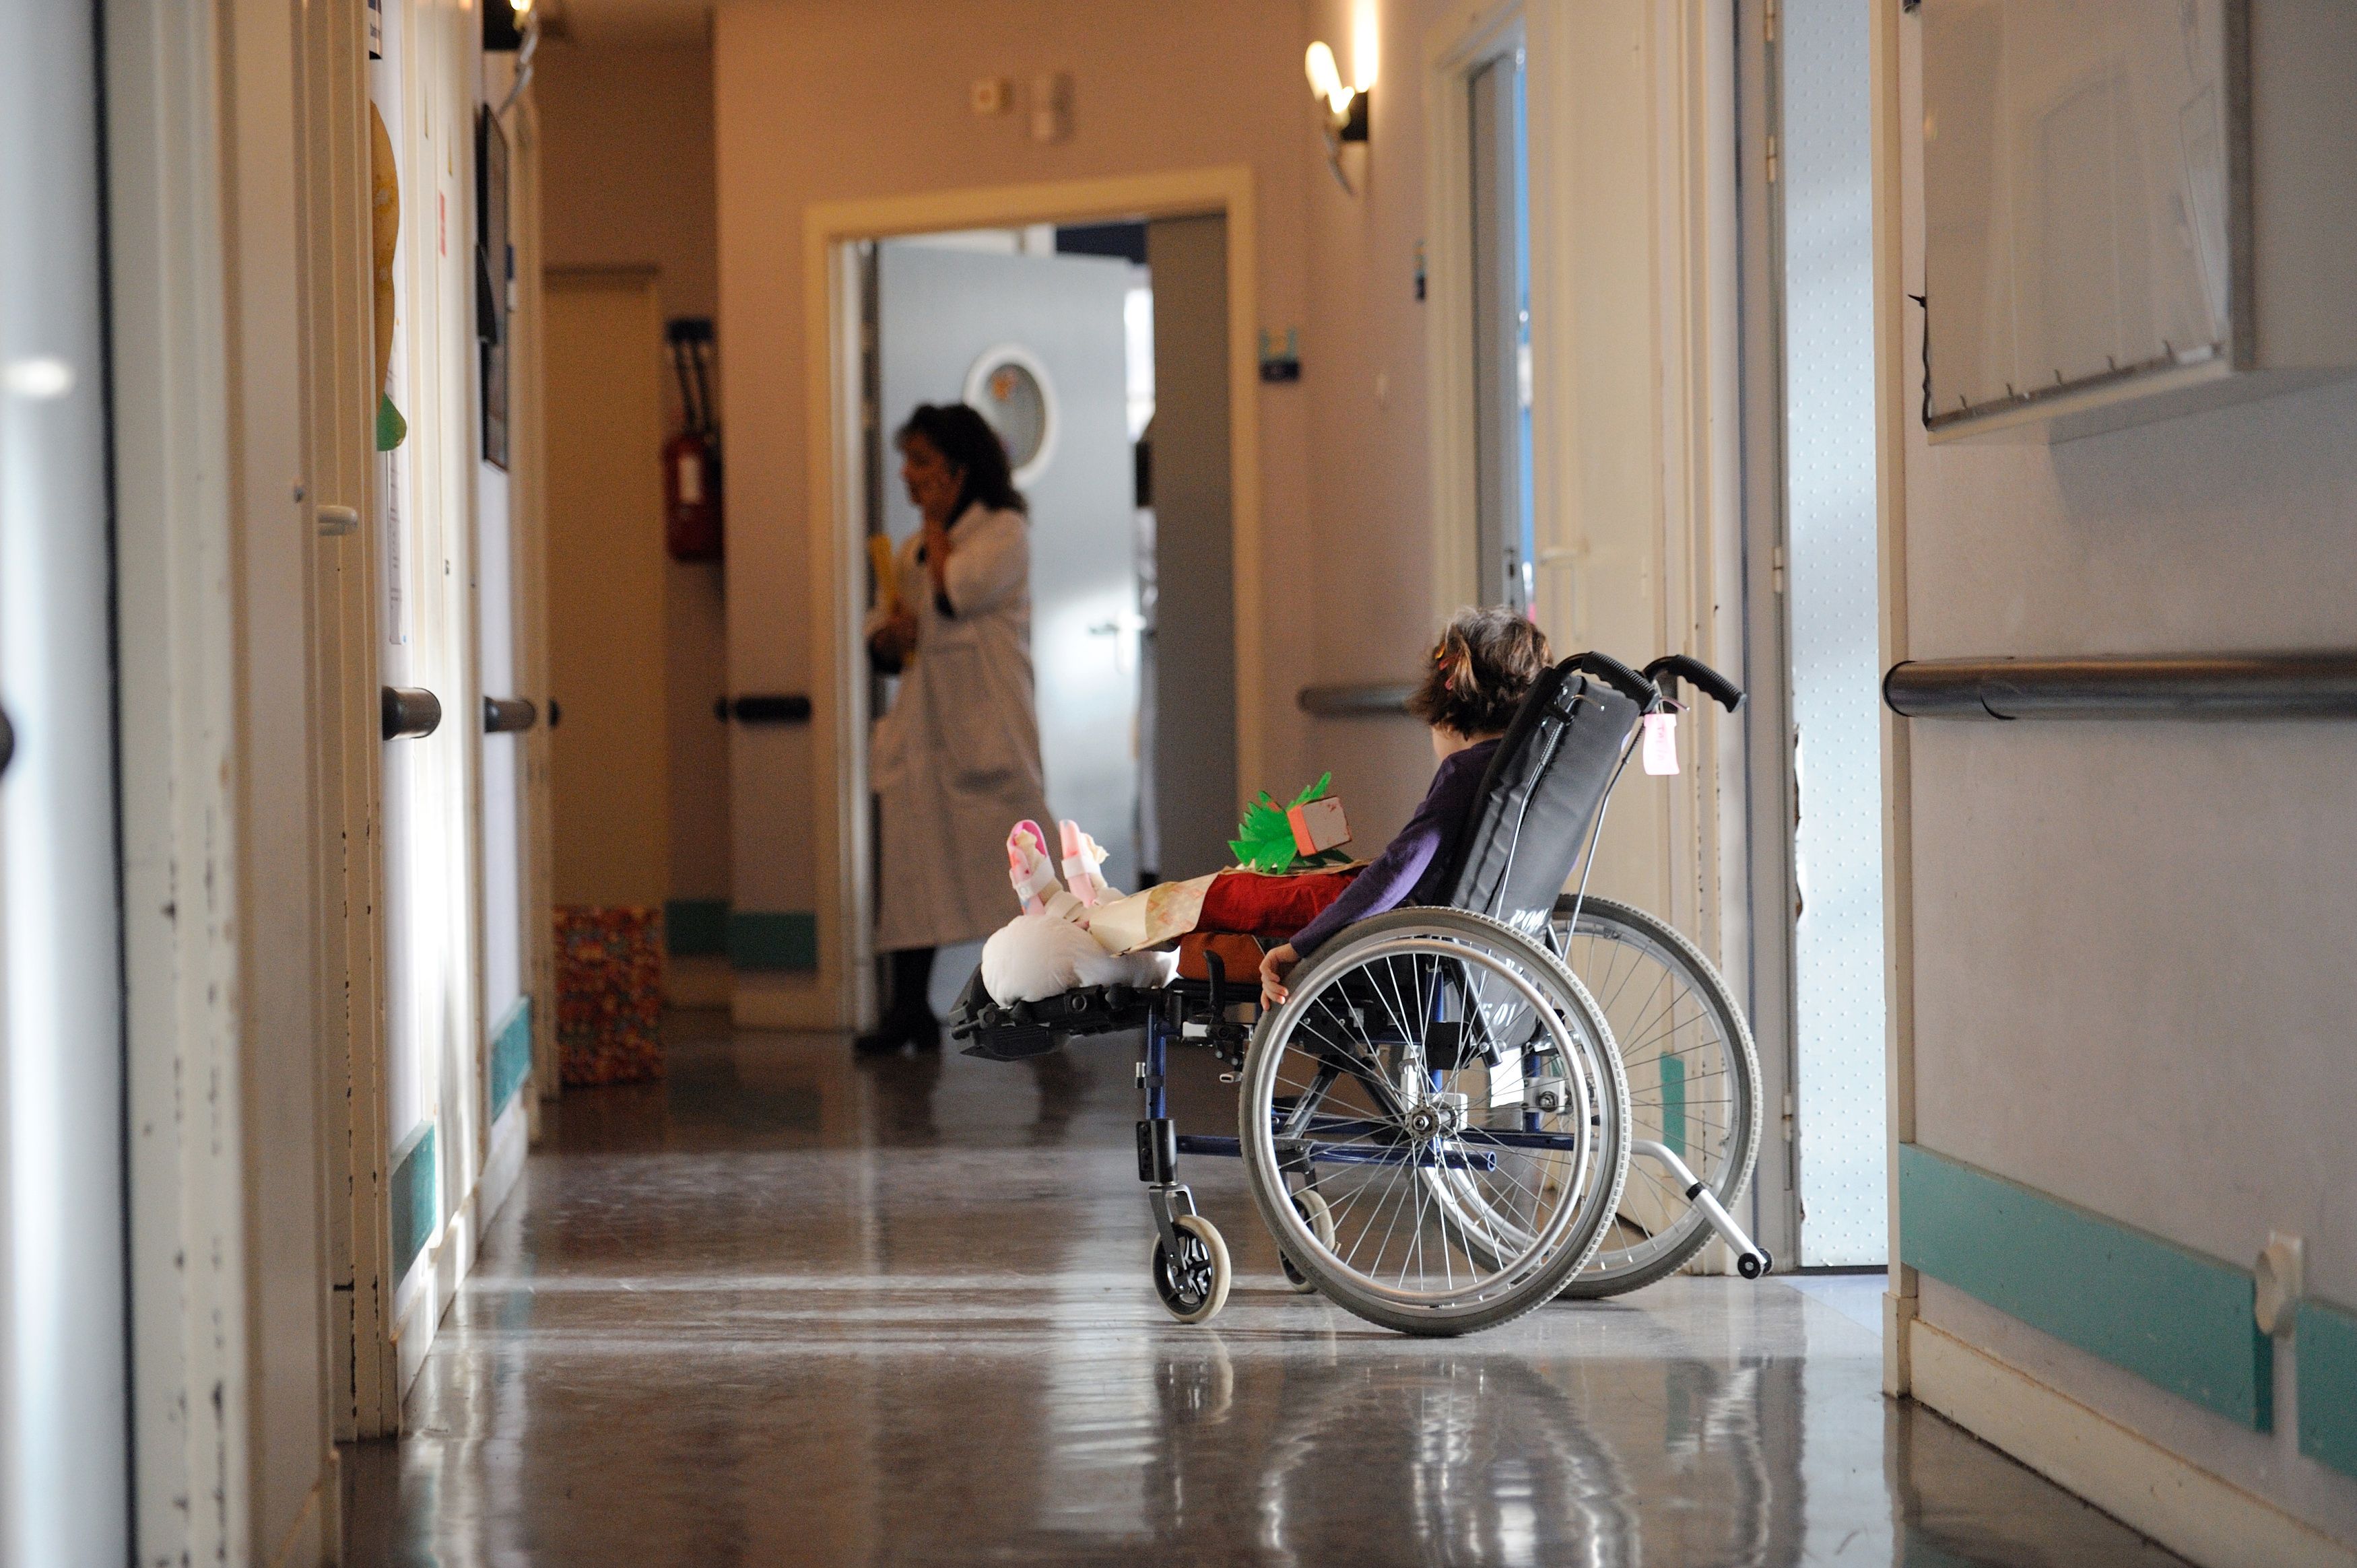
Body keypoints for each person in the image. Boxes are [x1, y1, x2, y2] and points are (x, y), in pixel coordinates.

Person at [861, 403, 1053, 1054]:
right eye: (907, 460)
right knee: (916, 871)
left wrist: (937, 529)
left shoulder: (1003, 531)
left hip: (989, 736)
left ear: (959, 468)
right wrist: (891, 634)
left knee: (1020, 879)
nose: (909, 475)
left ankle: (1045, 1005)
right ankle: (908, 1007)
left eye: (921, 461)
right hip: (925, 738)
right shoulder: (919, 547)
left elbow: (959, 591)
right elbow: (885, 637)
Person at [1257, 607, 1551, 1009]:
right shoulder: (1535, 767)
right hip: (1505, 946)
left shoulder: (1467, 771)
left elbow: (1400, 867)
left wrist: (1299, 947)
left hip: (1416, 951)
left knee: (1264, 922)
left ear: (1449, 716)